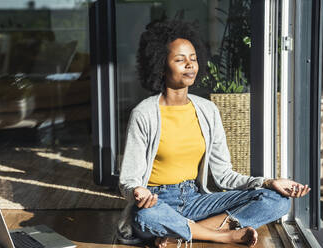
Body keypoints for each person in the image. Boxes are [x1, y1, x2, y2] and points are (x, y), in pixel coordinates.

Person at [117, 20, 310, 247]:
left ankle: (179, 232)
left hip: (196, 198)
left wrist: (268, 182)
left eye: (193, 58)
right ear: (160, 66)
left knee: (277, 201)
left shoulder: (207, 110)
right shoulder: (144, 113)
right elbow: (128, 180)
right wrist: (138, 192)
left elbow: (225, 176)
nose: (190, 65)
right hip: (158, 201)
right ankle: (222, 234)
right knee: (145, 217)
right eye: (180, 60)